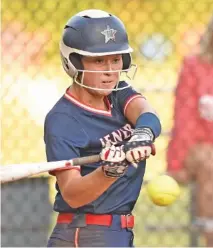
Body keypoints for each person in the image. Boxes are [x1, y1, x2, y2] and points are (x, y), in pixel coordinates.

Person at [44, 9, 161, 247]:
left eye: (116, 59)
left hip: (115, 232)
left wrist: (142, 134)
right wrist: (109, 171)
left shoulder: (117, 94)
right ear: (73, 63)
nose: (110, 71)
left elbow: (147, 114)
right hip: (85, 233)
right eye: (98, 61)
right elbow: (73, 194)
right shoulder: (62, 120)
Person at [167, 16, 213, 247]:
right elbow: (184, 119)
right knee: (209, 161)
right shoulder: (195, 67)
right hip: (200, 148)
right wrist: (176, 164)